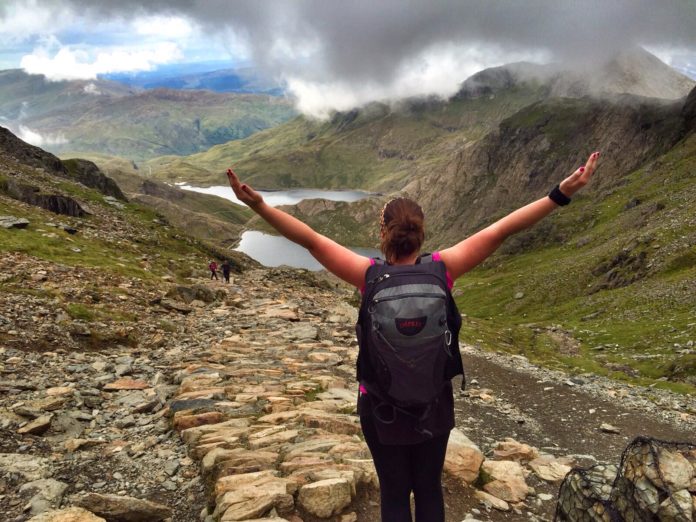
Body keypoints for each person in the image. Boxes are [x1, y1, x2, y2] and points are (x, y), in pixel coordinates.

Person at [226, 150, 600, 522]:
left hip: (379, 406)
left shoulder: (369, 275)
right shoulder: (443, 269)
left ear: (383, 233)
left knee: (393, 494)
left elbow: (311, 240)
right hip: (433, 404)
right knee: (428, 489)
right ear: (422, 234)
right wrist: (560, 193)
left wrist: (259, 205)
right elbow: (502, 229)